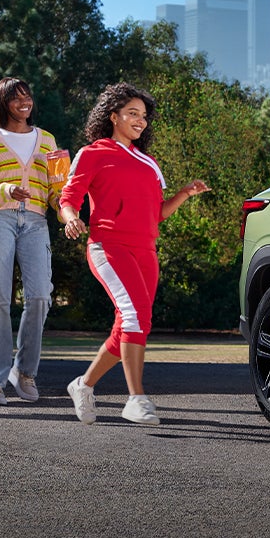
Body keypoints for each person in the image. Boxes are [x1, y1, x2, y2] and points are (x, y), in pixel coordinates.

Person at [57, 83, 210, 425]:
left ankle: (83, 385)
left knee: (129, 324)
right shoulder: (93, 152)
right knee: (136, 317)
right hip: (108, 247)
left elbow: (156, 213)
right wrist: (71, 219)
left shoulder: (148, 162)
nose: (140, 121)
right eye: (132, 114)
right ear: (113, 117)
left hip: (145, 250)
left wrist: (185, 193)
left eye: (143, 116)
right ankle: (136, 399)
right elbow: (68, 198)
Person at [0, 77, 68, 405]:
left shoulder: (49, 141)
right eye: (17, 98)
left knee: (40, 296)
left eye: (28, 96)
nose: (25, 103)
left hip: (36, 222)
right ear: (3, 103)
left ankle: (24, 372)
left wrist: (69, 213)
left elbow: (60, 188)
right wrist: (6, 190)